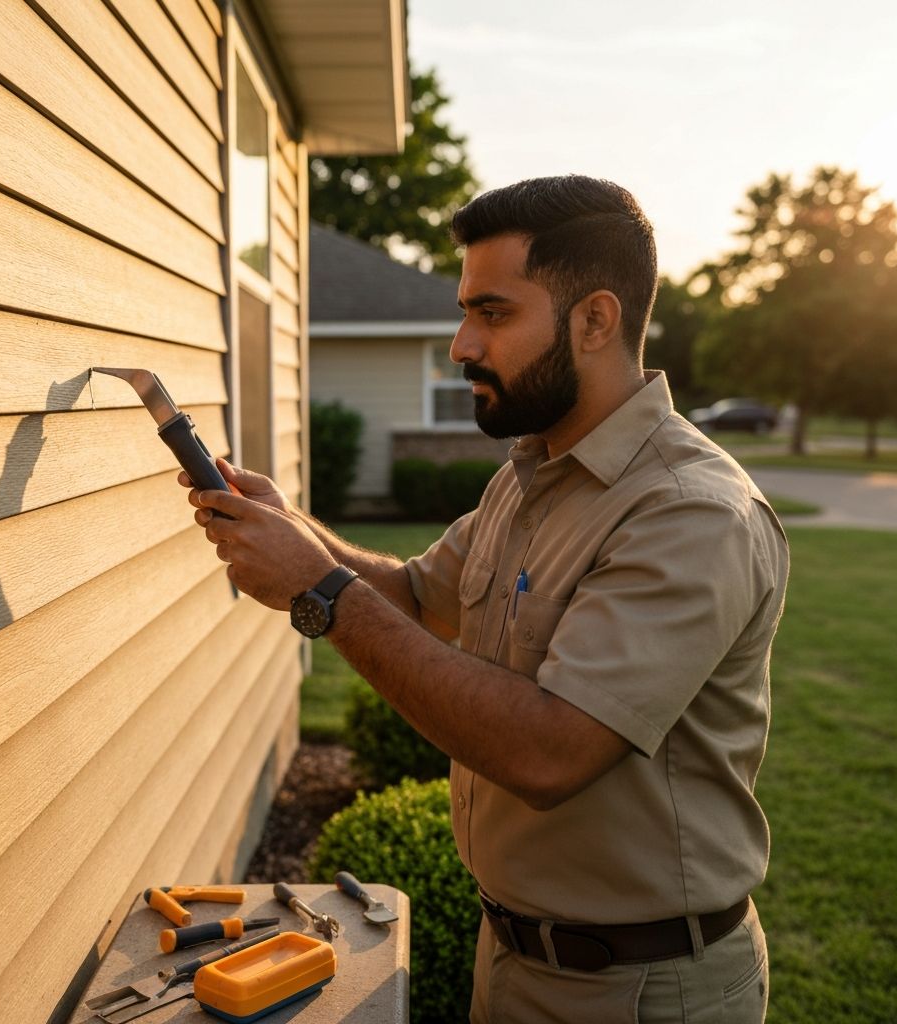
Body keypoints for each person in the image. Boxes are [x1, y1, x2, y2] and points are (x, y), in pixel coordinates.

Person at [181, 175, 789, 1024]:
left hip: (643, 989)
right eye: (467, 311)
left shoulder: (689, 512)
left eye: (493, 314)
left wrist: (314, 588)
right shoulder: (534, 472)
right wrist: (297, 532)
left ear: (595, 320)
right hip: (510, 957)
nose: (462, 343)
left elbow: (550, 752)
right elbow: (421, 595)